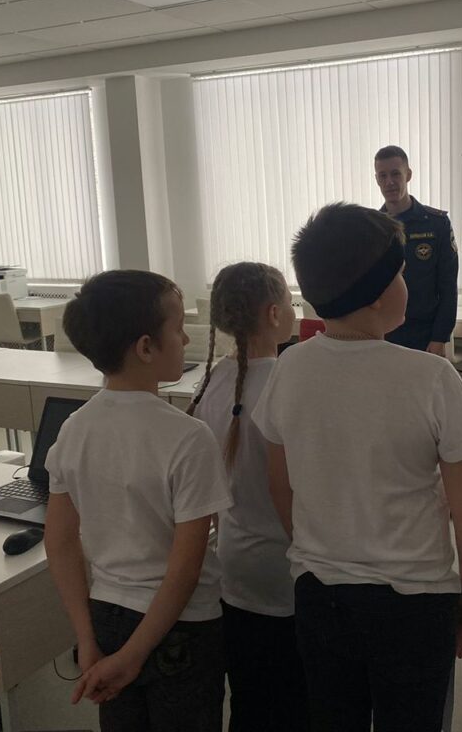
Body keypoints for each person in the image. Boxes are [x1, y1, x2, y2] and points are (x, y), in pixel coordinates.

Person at [252, 203, 462, 732]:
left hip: (319, 594)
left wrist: (322, 546)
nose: (408, 283)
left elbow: (280, 484)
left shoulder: (288, 367)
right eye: (403, 273)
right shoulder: (431, 379)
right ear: (381, 292)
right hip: (414, 603)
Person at [44, 270, 232, 731]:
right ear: (146, 347)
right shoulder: (189, 438)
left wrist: (87, 638)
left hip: (107, 616)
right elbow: (185, 569)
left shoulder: (73, 429)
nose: (186, 338)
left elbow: (59, 542)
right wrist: (136, 654)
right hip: (181, 629)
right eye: (178, 328)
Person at [188, 262, 309, 732]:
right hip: (287, 570)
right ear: (274, 313)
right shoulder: (289, 383)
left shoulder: (211, 383)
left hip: (234, 569)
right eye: (291, 304)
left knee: (249, 697)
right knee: (296, 700)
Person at [374, 145, 459, 355]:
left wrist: (440, 337)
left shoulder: (436, 223)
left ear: (408, 175)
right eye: (383, 176)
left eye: (395, 174)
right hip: (384, 333)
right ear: (377, 179)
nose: (389, 182)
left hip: (425, 333)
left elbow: (448, 286)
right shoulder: (372, 227)